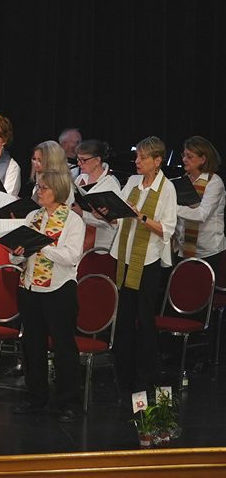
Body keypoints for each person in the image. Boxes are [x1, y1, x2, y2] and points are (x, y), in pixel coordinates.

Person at [99, 137, 177, 394]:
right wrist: (106, 213)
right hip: (125, 255)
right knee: (123, 319)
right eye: (137, 157)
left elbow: (166, 229)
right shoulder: (133, 182)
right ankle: (124, 376)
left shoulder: (167, 188)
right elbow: (119, 215)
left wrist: (140, 216)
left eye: (143, 158)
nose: (137, 161)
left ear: (157, 161)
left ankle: (147, 377)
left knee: (144, 320)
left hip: (147, 261)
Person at [9, 167, 86, 422]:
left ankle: (68, 401)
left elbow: (71, 256)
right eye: (38, 187)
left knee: (64, 346)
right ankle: (36, 397)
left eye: (44, 188)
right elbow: (16, 256)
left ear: (59, 191)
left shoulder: (73, 220)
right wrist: (18, 252)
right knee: (32, 345)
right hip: (30, 287)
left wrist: (41, 246)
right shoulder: (33, 216)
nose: (38, 191)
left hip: (59, 289)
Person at [175, 136, 222, 265]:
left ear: (203, 159)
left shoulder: (214, 182)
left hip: (207, 251)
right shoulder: (183, 180)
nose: (184, 159)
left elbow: (201, 215)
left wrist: (172, 208)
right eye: (184, 155)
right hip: (183, 248)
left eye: (189, 156)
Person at [71, 140, 121, 253]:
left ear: (97, 160)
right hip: (79, 238)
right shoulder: (81, 178)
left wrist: (82, 213)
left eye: (83, 160)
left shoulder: (110, 184)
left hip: (99, 246)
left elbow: (112, 222)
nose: (79, 164)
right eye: (78, 159)